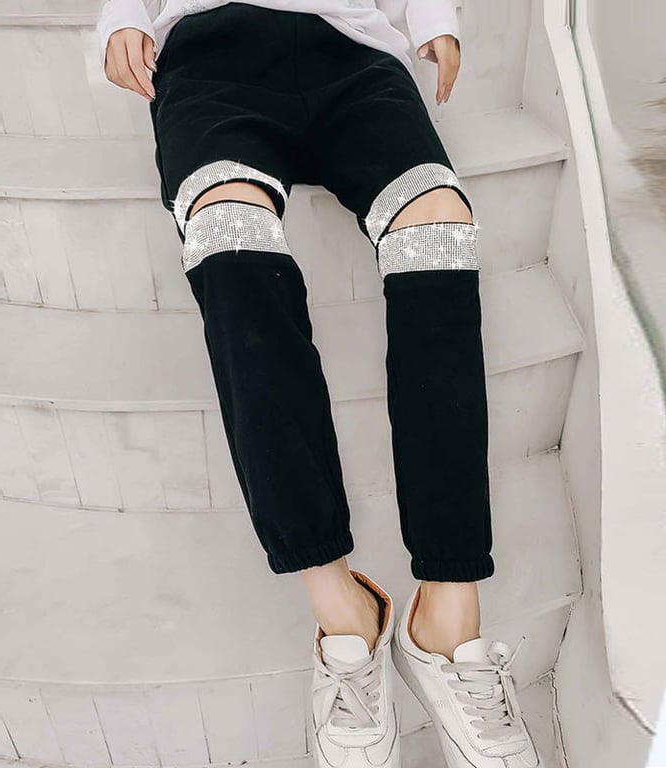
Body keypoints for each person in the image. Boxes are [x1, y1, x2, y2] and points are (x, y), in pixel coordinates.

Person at [98, 1, 543, 765]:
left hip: (354, 52)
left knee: (438, 230)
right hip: (209, 55)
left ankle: (448, 612)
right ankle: (343, 612)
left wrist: (432, 15)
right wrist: (119, 18)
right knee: (230, 244)